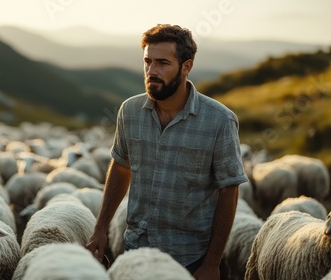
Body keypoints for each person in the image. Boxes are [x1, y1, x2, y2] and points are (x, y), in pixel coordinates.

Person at [85, 24, 248, 279]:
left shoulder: (219, 121)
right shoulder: (129, 111)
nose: (151, 71)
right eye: (147, 61)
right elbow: (120, 166)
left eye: (163, 63)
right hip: (136, 251)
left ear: (186, 67)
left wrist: (212, 263)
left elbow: (229, 189)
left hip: (189, 258)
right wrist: (100, 228)